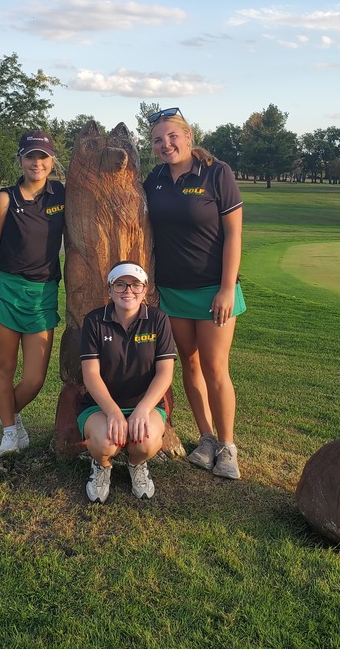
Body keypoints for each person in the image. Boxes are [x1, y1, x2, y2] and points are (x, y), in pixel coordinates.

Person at [143, 107, 246, 479]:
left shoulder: (217, 173)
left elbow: (234, 234)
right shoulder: (154, 179)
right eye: (158, 140)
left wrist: (227, 288)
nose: (166, 144)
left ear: (188, 136)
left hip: (213, 289)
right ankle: (205, 438)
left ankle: (227, 445)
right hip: (172, 291)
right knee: (188, 363)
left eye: (172, 136)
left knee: (215, 367)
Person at [0, 129, 65, 457]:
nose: (37, 163)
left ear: (52, 161)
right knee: (5, 366)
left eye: (43, 157)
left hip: (42, 295)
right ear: (20, 160)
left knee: (35, 378)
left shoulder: (62, 195)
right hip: (5, 291)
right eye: (30, 156)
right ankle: (9, 432)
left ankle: (11, 414)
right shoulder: (6, 198)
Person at [78, 262, 176, 502]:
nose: (128, 291)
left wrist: (142, 410)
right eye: (120, 284)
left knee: (146, 443)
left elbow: (165, 373)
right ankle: (101, 465)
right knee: (105, 443)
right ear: (110, 290)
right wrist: (113, 412)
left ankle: (136, 464)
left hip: (145, 405)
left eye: (135, 285)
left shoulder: (158, 319)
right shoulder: (94, 320)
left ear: (145, 290)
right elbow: (90, 375)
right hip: (100, 406)